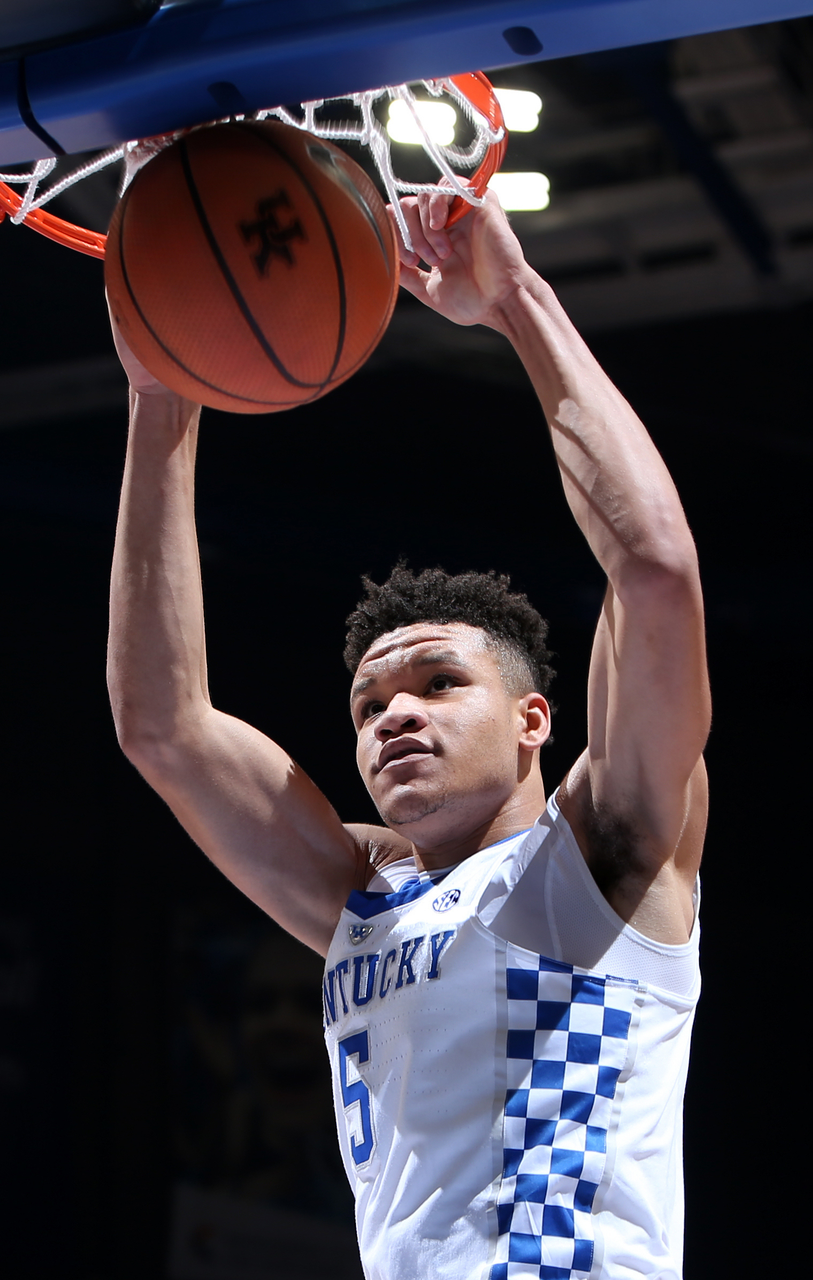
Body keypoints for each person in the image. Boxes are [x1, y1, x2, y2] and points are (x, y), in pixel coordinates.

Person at [106, 186, 709, 1280]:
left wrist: (519, 303)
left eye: (438, 682)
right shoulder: (361, 897)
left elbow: (657, 572)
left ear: (533, 721)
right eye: (370, 704)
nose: (396, 715)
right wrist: (163, 391)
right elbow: (164, 725)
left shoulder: (598, 855)